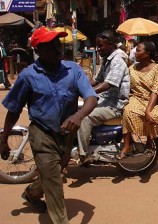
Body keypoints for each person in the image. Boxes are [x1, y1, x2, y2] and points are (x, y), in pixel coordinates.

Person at [0, 26, 97, 223]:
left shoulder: (73, 70)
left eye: (58, 45)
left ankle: (31, 193)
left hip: (66, 135)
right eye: (51, 46)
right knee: (54, 180)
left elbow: (91, 98)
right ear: (38, 51)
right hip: (42, 134)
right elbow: (14, 110)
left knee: (54, 173)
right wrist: (3, 139)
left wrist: (78, 116)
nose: (57, 49)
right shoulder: (28, 76)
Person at [117, 41, 158, 159]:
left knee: (153, 116)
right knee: (128, 111)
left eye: (138, 50)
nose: (135, 53)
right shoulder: (132, 68)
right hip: (136, 98)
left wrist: (148, 110)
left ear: (147, 54)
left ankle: (150, 141)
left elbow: (156, 91)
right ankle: (127, 145)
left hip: (154, 102)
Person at [77, 30, 130, 160]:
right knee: (76, 109)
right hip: (105, 99)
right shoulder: (107, 59)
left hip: (115, 104)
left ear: (111, 45)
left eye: (101, 46)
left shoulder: (118, 61)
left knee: (84, 117)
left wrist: (87, 92)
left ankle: (83, 154)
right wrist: (78, 87)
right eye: (97, 45)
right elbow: (97, 80)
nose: (98, 49)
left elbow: (108, 84)